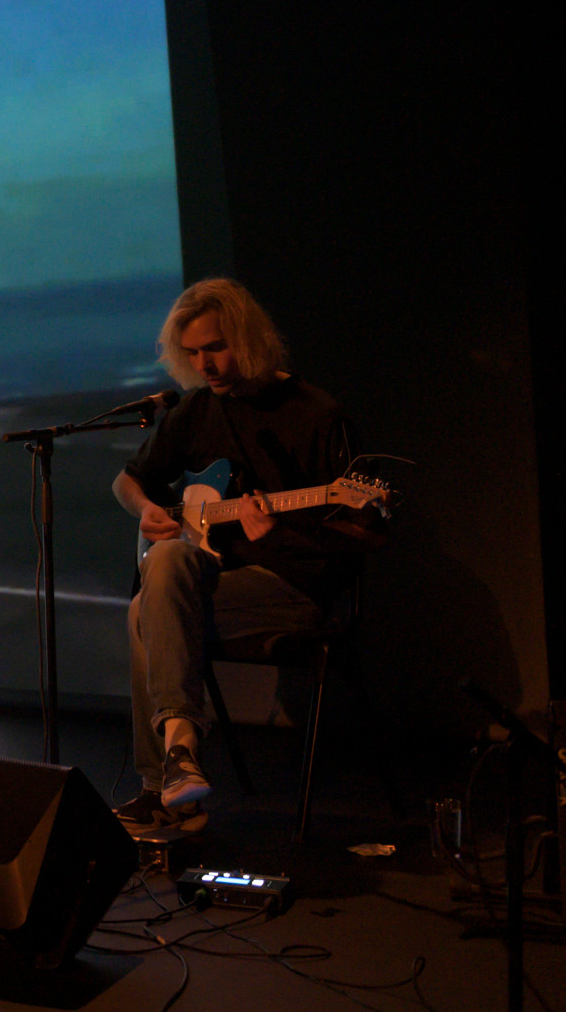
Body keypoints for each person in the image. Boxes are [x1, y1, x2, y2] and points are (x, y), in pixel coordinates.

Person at [111, 278, 382, 832]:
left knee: (145, 612)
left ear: (247, 338)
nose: (203, 364)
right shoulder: (196, 411)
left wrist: (272, 537)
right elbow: (128, 481)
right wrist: (145, 509)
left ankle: (164, 788)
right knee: (163, 563)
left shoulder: (316, 415)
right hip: (216, 580)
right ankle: (180, 759)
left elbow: (362, 535)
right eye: (191, 353)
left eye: (214, 348)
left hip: (296, 589)